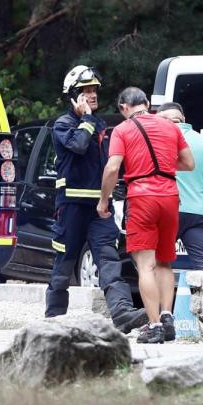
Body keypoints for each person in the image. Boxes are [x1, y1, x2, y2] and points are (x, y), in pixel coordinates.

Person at [45, 66, 146, 333]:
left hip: (100, 209)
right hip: (71, 208)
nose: (92, 95)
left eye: (94, 90)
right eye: (86, 91)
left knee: (109, 260)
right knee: (64, 266)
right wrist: (88, 119)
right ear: (73, 96)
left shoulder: (99, 125)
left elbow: (109, 163)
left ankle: (122, 314)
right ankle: (52, 323)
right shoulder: (63, 124)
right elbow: (78, 146)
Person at [98, 87, 194, 344]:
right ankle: (167, 316)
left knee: (145, 265)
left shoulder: (122, 130)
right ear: (148, 104)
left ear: (123, 108)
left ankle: (154, 326)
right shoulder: (170, 127)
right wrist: (162, 165)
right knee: (164, 261)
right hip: (170, 196)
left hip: (141, 197)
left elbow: (112, 168)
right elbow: (188, 163)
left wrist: (104, 199)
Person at [157, 102, 203, 271]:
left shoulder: (161, 140)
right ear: (183, 118)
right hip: (197, 212)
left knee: (159, 262)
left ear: (161, 119)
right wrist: (196, 180)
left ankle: (161, 290)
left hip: (169, 210)